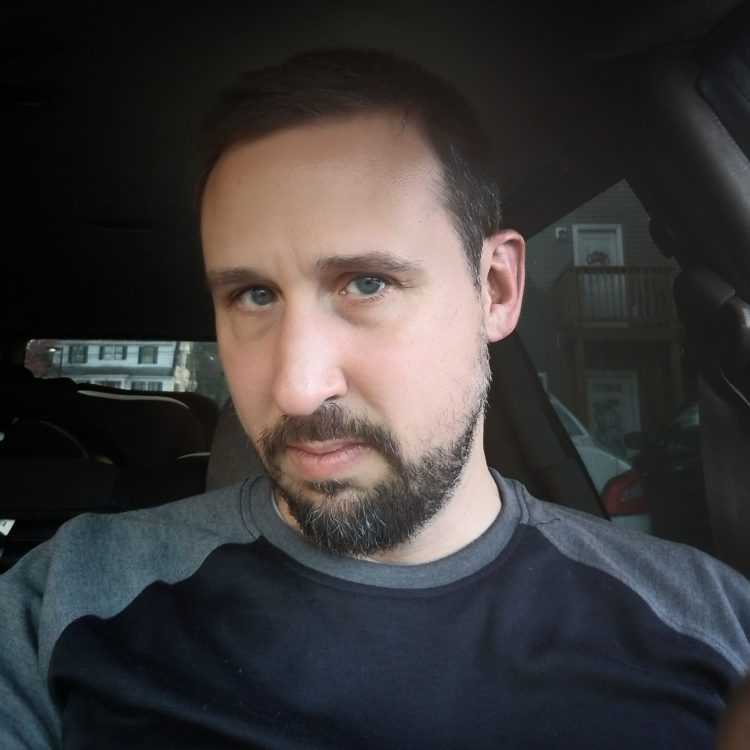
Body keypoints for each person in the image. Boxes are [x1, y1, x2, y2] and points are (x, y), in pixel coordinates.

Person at [1, 47, 749, 749]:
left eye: (367, 283)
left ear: (496, 289)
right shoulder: (64, 600)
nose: (296, 388)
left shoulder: (716, 632)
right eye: (253, 295)